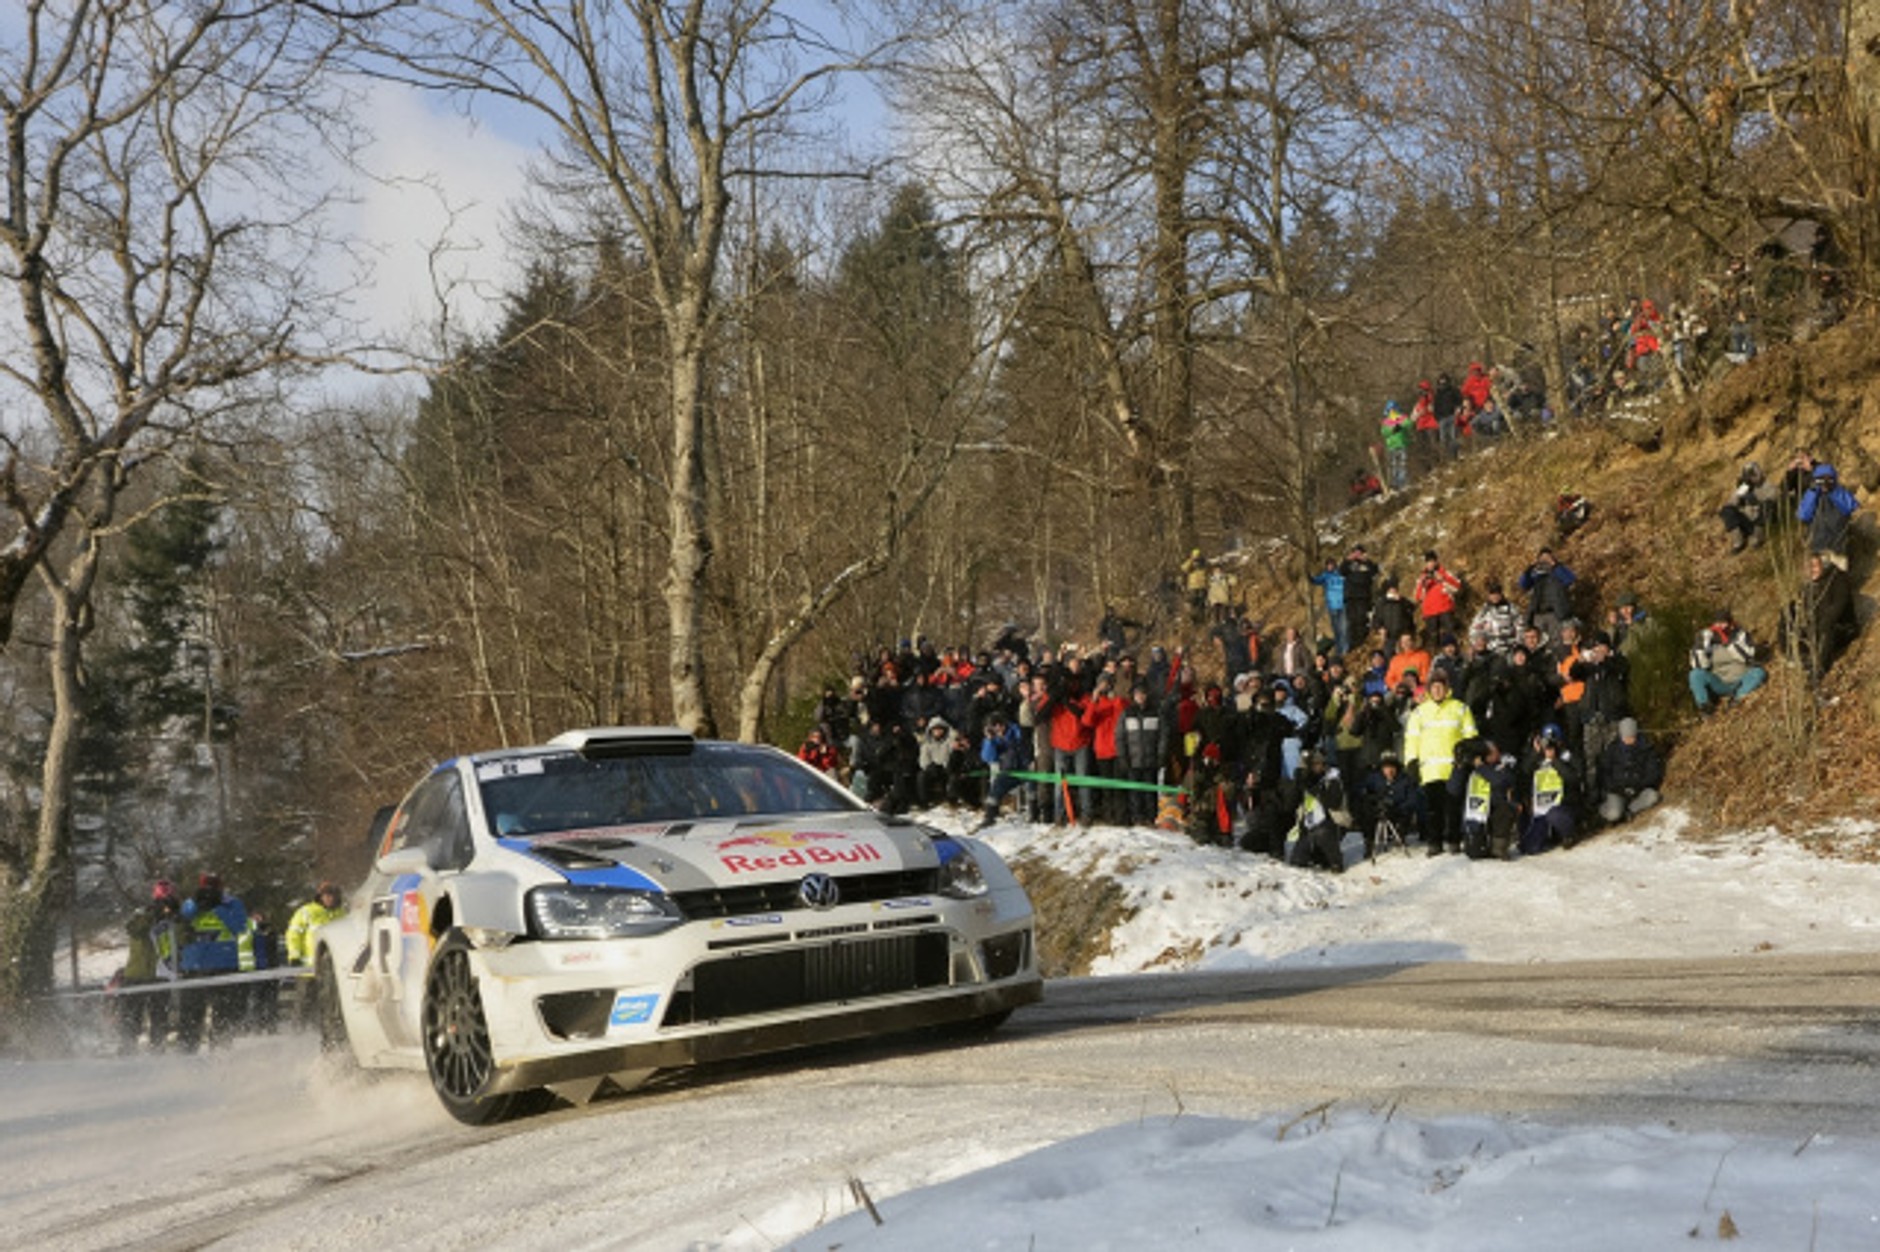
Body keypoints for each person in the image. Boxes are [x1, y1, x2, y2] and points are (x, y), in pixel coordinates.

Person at [1401, 674, 1478, 855]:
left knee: (1453, 806)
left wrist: (1467, 754)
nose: (1437, 690)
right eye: (1434, 687)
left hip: (1455, 767)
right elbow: (1412, 739)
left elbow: (1471, 735)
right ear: (1429, 690)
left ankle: (1454, 840)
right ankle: (1434, 842)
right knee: (1433, 809)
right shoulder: (1420, 712)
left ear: (1446, 689)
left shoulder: (1460, 708)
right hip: (1430, 768)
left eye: (1440, 687)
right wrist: (1411, 761)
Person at [114, 879, 182, 1052]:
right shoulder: (142, 914)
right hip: (137, 975)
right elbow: (133, 929)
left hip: (161, 975)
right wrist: (153, 915)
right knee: (131, 1019)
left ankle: (157, 1050)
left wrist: (176, 915)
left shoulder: (174, 918)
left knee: (159, 1018)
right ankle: (127, 1050)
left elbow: (183, 938)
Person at [1786, 551, 1859, 688]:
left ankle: (1819, 669)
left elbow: (1838, 608)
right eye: (1807, 568)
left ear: (1823, 565)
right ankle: (1797, 657)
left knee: (1826, 623)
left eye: (1814, 566)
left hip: (1843, 628)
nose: (1811, 570)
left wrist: (1817, 627)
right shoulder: (1807, 587)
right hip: (1820, 630)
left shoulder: (1837, 579)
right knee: (1788, 614)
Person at [1520, 724, 1584, 854]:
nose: (1549, 745)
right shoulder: (1538, 757)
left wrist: (1555, 761)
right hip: (1541, 807)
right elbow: (1523, 773)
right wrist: (1535, 754)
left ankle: (1569, 835)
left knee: (1555, 815)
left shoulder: (1568, 755)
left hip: (1564, 805)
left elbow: (1574, 779)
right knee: (1530, 848)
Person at [1688, 611, 1766, 714]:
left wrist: (1728, 641)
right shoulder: (1709, 640)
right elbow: (1700, 665)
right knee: (1695, 675)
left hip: (1742, 679)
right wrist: (1700, 647)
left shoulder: (1741, 635)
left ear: (1731, 623)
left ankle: (1737, 698)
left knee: (1759, 673)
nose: (1721, 627)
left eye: (1723, 623)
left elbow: (1747, 656)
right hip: (1720, 682)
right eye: (1718, 623)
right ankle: (1705, 706)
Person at [1287, 749, 1349, 873]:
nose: (1317, 767)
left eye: (1319, 764)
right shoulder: (1306, 780)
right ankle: (1317, 855)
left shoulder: (1333, 779)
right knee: (1296, 861)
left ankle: (1336, 861)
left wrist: (1313, 788)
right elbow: (1290, 805)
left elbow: (1333, 803)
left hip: (1331, 824)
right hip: (1309, 826)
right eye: (1314, 764)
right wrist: (1296, 784)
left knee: (1322, 833)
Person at [1456, 738, 1519, 860]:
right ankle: (1478, 840)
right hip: (1476, 816)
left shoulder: (1504, 764)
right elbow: (1453, 789)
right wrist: (1459, 768)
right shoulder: (1470, 769)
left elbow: (1500, 782)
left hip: (1496, 813)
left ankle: (1498, 845)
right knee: (1474, 853)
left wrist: (1481, 767)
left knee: (1506, 807)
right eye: (1490, 751)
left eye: (1493, 750)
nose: (1493, 753)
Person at [1598, 718, 1663, 824]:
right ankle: (1604, 810)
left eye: (1631, 737)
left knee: (1653, 796)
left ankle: (1630, 810)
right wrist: (1617, 787)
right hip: (1617, 790)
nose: (1628, 740)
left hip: (1639, 789)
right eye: (1626, 738)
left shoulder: (1646, 748)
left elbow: (1653, 772)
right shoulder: (1612, 750)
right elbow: (1605, 773)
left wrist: (1639, 785)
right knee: (1614, 814)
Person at [1795, 461, 1859, 563]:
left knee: (1839, 571)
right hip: (1818, 548)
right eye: (1820, 479)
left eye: (1828, 479)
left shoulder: (1839, 492)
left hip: (1838, 547)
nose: (1824, 483)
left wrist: (1834, 490)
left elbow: (1850, 507)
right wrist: (1813, 492)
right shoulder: (1812, 494)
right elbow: (1803, 515)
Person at [1517, 547, 1576, 642]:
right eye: (1542, 558)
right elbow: (1523, 584)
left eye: (1547, 557)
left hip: (1556, 613)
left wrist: (1555, 565)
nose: (1545, 560)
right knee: (1539, 640)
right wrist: (1529, 568)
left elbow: (1570, 580)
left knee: (1556, 640)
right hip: (1538, 613)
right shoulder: (1535, 572)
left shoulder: (1559, 569)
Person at [976, 716, 1026, 829]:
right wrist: (989, 741)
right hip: (1008, 772)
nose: (998, 728)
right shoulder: (994, 740)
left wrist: (1006, 739)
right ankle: (990, 815)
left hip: (1025, 769)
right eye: (994, 726)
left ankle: (1035, 815)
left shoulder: (1016, 733)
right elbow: (988, 758)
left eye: (999, 725)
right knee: (996, 785)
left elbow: (1022, 749)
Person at [285, 881, 346, 968]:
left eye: (334, 895)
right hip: (309, 968)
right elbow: (293, 935)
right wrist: (294, 956)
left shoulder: (342, 914)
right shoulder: (307, 911)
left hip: (336, 967)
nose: (331, 899)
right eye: (327, 896)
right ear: (321, 896)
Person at [1718, 461, 1772, 552]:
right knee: (1727, 510)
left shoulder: (1767, 486)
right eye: (1748, 475)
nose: (1751, 478)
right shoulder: (1745, 487)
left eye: (1752, 474)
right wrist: (1741, 491)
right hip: (1748, 519)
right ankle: (1738, 540)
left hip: (1761, 521)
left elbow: (1771, 501)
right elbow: (1732, 502)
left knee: (1766, 507)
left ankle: (1758, 537)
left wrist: (1754, 498)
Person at [1413, 550, 1463, 646]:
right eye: (1428, 562)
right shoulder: (1422, 578)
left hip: (1445, 609)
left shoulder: (1445, 573)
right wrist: (1424, 585)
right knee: (1433, 639)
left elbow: (1457, 587)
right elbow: (1418, 597)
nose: (1430, 564)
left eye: (1432, 561)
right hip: (1429, 612)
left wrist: (1443, 579)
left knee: (1450, 636)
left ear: (1436, 561)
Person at [1339, 544, 1381, 647]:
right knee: (1351, 621)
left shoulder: (1368, 564)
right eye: (1355, 552)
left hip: (1363, 597)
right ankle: (1353, 644)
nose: (1357, 555)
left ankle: (1362, 642)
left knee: (1362, 620)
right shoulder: (1348, 564)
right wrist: (1348, 560)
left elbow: (1375, 572)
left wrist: (1367, 561)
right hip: (1351, 597)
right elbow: (1341, 571)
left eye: (1359, 553)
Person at [1309, 558, 1349, 654]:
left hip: (1342, 604)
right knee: (1336, 629)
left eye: (1332, 564)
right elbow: (1315, 580)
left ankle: (1345, 649)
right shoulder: (1325, 576)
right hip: (1332, 605)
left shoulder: (1341, 574)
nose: (1330, 566)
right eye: (1328, 565)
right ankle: (1339, 650)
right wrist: (1309, 576)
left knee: (1344, 628)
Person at [1380, 402, 1412, 491]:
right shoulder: (1386, 421)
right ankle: (1396, 483)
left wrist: (1400, 425)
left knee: (1402, 464)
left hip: (1402, 443)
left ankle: (1402, 482)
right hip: (1392, 446)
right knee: (1394, 465)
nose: (1392, 412)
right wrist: (1393, 429)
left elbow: (1409, 424)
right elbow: (1384, 432)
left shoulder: (1402, 418)